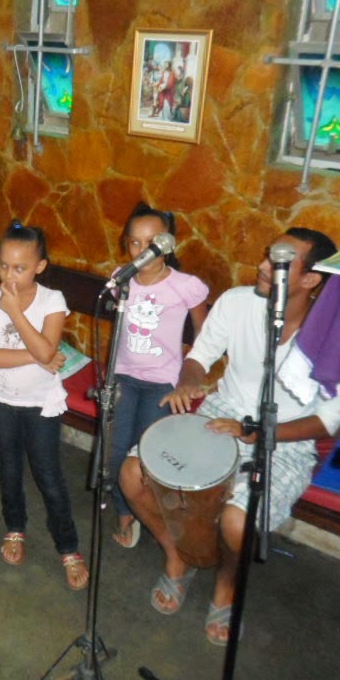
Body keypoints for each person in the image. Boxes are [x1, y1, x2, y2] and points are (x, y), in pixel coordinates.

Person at [119, 227, 340, 646]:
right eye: (267, 255)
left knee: (237, 520)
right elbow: (200, 357)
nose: (262, 266)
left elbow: (328, 421)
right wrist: (188, 382)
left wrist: (258, 432)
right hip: (222, 411)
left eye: (279, 263)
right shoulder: (236, 302)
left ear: (310, 279)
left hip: (286, 439)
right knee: (132, 473)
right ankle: (177, 556)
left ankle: (226, 586)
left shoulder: (337, 336)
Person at [0, 221, 89, 591]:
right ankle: (15, 527)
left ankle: (68, 547)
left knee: (48, 475)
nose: (10, 275)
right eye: (4, 266)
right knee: (9, 468)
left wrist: (16, 313)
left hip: (40, 403)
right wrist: (38, 356)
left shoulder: (52, 301)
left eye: (20, 268)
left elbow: (47, 348)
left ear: (40, 266)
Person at [109, 202, 209, 549]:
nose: (143, 251)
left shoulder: (185, 285)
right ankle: (125, 513)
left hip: (162, 382)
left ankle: (148, 509)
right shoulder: (122, 278)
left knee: (144, 452)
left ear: (168, 245)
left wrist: (191, 376)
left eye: (152, 243)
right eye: (135, 242)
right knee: (114, 450)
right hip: (123, 376)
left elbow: (204, 334)